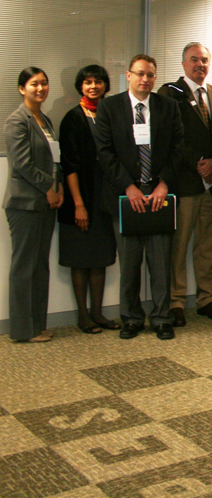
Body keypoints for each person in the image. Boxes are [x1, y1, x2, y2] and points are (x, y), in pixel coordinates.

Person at [95, 55, 183, 341]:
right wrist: (128, 188)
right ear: (129, 75)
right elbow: (104, 152)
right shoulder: (110, 107)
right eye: (140, 74)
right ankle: (131, 318)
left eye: (151, 75)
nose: (145, 80)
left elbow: (177, 149)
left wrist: (163, 185)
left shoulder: (168, 107)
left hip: (159, 194)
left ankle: (161, 317)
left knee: (160, 262)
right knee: (130, 263)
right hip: (125, 196)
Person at [158, 42, 212, 327]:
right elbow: (171, 136)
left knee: (208, 246)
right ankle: (175, 301)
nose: (200, 65)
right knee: (179, 245)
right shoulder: (169, 93)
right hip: (185, 183)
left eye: (205, 60)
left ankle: (207, 297)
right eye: (194, 60)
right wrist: (199, 163)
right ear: (184, 64)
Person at [58, 65, 118, 334]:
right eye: (87, 82)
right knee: (80, 257)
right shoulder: (73, 118)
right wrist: (79, 204)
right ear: (80, 86)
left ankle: (98, 312)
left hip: (105, 197)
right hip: (79, 197)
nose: (93, 86)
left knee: (101, 257)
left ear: (106, 85)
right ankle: (83, 315)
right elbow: (69, 165)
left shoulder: (111, 115)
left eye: (98, 82)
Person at [5, 67, 62, 343]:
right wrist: (49, 188)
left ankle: (38, 325)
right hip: (24, 204)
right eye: (34, 84)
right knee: (24, 267)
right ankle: (21, 330)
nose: (40, 88)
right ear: (22, 89)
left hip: (46, 202)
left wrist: (58, 187)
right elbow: (22, 165)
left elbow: (54, 160)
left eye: (44, 83)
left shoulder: (45, 120)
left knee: (41, 266)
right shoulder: (17, 121)